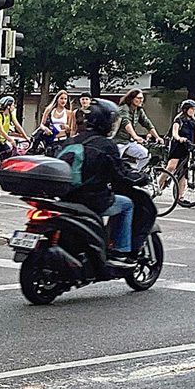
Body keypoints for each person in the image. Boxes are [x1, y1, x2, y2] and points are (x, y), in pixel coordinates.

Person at [62, 98, 147, 268]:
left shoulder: (73, 140)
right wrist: (140, 177)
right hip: (93, 199)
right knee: (127, 204)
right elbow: (120, 174)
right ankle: (120, 251)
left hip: (67, 198)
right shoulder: (106, 145)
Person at [0, 96, 28, 196]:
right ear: (8, 106)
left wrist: (26, 137)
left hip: (2, 141)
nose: (14, 107)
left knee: (8, 157)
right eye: (13, 105)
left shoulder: (10, 115)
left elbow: (17, 125)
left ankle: (2, 175)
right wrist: (10, 139)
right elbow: (1, 130)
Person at [114, 88, 161, 172]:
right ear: (131, 99)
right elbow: (126, 122)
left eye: (142, 98)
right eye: (138, 98)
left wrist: (157, 137)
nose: (140, 100)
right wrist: (135, 136)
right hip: (118, 141)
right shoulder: (124, 108)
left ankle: (134, 175)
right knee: (114, 164)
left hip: (128, 141)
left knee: (145, 154)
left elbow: (147, 123)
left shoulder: (139, 110)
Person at [164, 99, 195, 200]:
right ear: (185, 109)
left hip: (188, 147)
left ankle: (180, 196)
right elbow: (174, 133)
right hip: (178, 146)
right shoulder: (179, 120)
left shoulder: (194, 122)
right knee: (171, 167)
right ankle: (159, 185)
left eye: (194, 109)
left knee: (184, 172)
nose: (193, 111)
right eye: (191, 109)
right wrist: (179, 138)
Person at [40, 90, 73, 155]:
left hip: (62, 140)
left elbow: (70, 129)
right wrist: (45, 129)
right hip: (51, 139)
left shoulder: (69, 113)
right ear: (57, 99)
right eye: (61, 98)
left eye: (65, 99)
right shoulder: (49, 110)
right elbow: (42, 124)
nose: (63, 101)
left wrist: (66, 127)